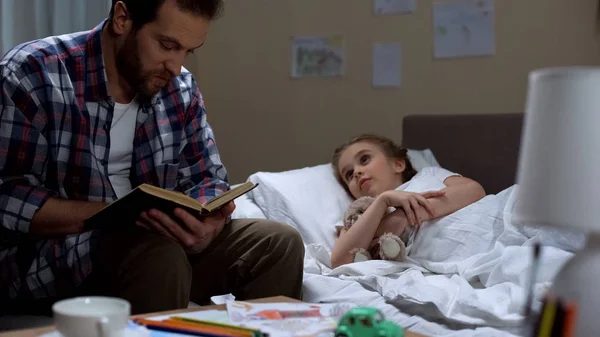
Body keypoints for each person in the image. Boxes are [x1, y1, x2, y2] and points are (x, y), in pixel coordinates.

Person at [0, 0, 304, 316]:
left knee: (278, 243)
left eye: (188, 51)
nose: (175, 66)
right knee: (157, 253)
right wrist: (115, 216)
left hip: (161, 245)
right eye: (167, 45)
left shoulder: (180, 87)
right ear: (122, 19)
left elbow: (207, 178)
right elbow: (8, 196)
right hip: (55, 256)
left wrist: (207, 226)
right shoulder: (33, 72)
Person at [330, 134, 485, 268]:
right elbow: (340, 261)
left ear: (398, 164)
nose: (357, 172)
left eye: (364, 159)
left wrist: (403, 216)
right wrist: (382, 201)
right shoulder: (356, 217)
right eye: (349, 174)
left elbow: (474, 190)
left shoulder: (428, 175)